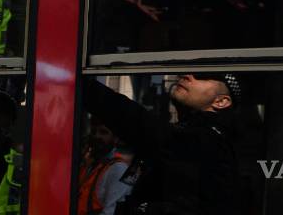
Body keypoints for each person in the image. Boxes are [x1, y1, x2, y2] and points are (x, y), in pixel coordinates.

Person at [82, 73, 242, 214]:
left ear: (221, 101)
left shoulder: (207, 141)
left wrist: (81, 84)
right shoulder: (191, 134)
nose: (187, 75)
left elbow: (137, 122)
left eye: (202, 76)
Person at [76, 119, 133, 215]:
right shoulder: (90, 164)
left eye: (103, 132)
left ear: (115, 138)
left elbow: (111, 212)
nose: (97, 136)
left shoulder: (118, 169)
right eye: (94, 131)